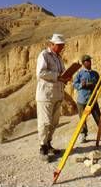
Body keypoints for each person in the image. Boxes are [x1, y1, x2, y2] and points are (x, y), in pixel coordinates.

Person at [36, 33, 69, 162]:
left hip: (58, 94)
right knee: (44, 122)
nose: (62, 48)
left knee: (54, 122)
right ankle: (42, 147)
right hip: (46, 95)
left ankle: (49, 144)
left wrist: (66, 77)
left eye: (62, 46)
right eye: (60, 45)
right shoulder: (44, 55)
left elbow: (62, 73)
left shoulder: (59, 58)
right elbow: (41, 73)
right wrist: (58, 76)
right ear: (52, 44)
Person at [73, 54, 101, 143]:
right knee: (82, 120)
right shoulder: (80, 74)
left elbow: (100, 84)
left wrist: (94, 85)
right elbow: (74, 84)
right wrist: (81, 85)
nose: (89, 62)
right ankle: (83, 135)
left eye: (90, 61)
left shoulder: (95, 73)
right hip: (82, 100)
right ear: (83, 63)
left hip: (93, 100)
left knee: (99, 118)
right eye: (87, 61)